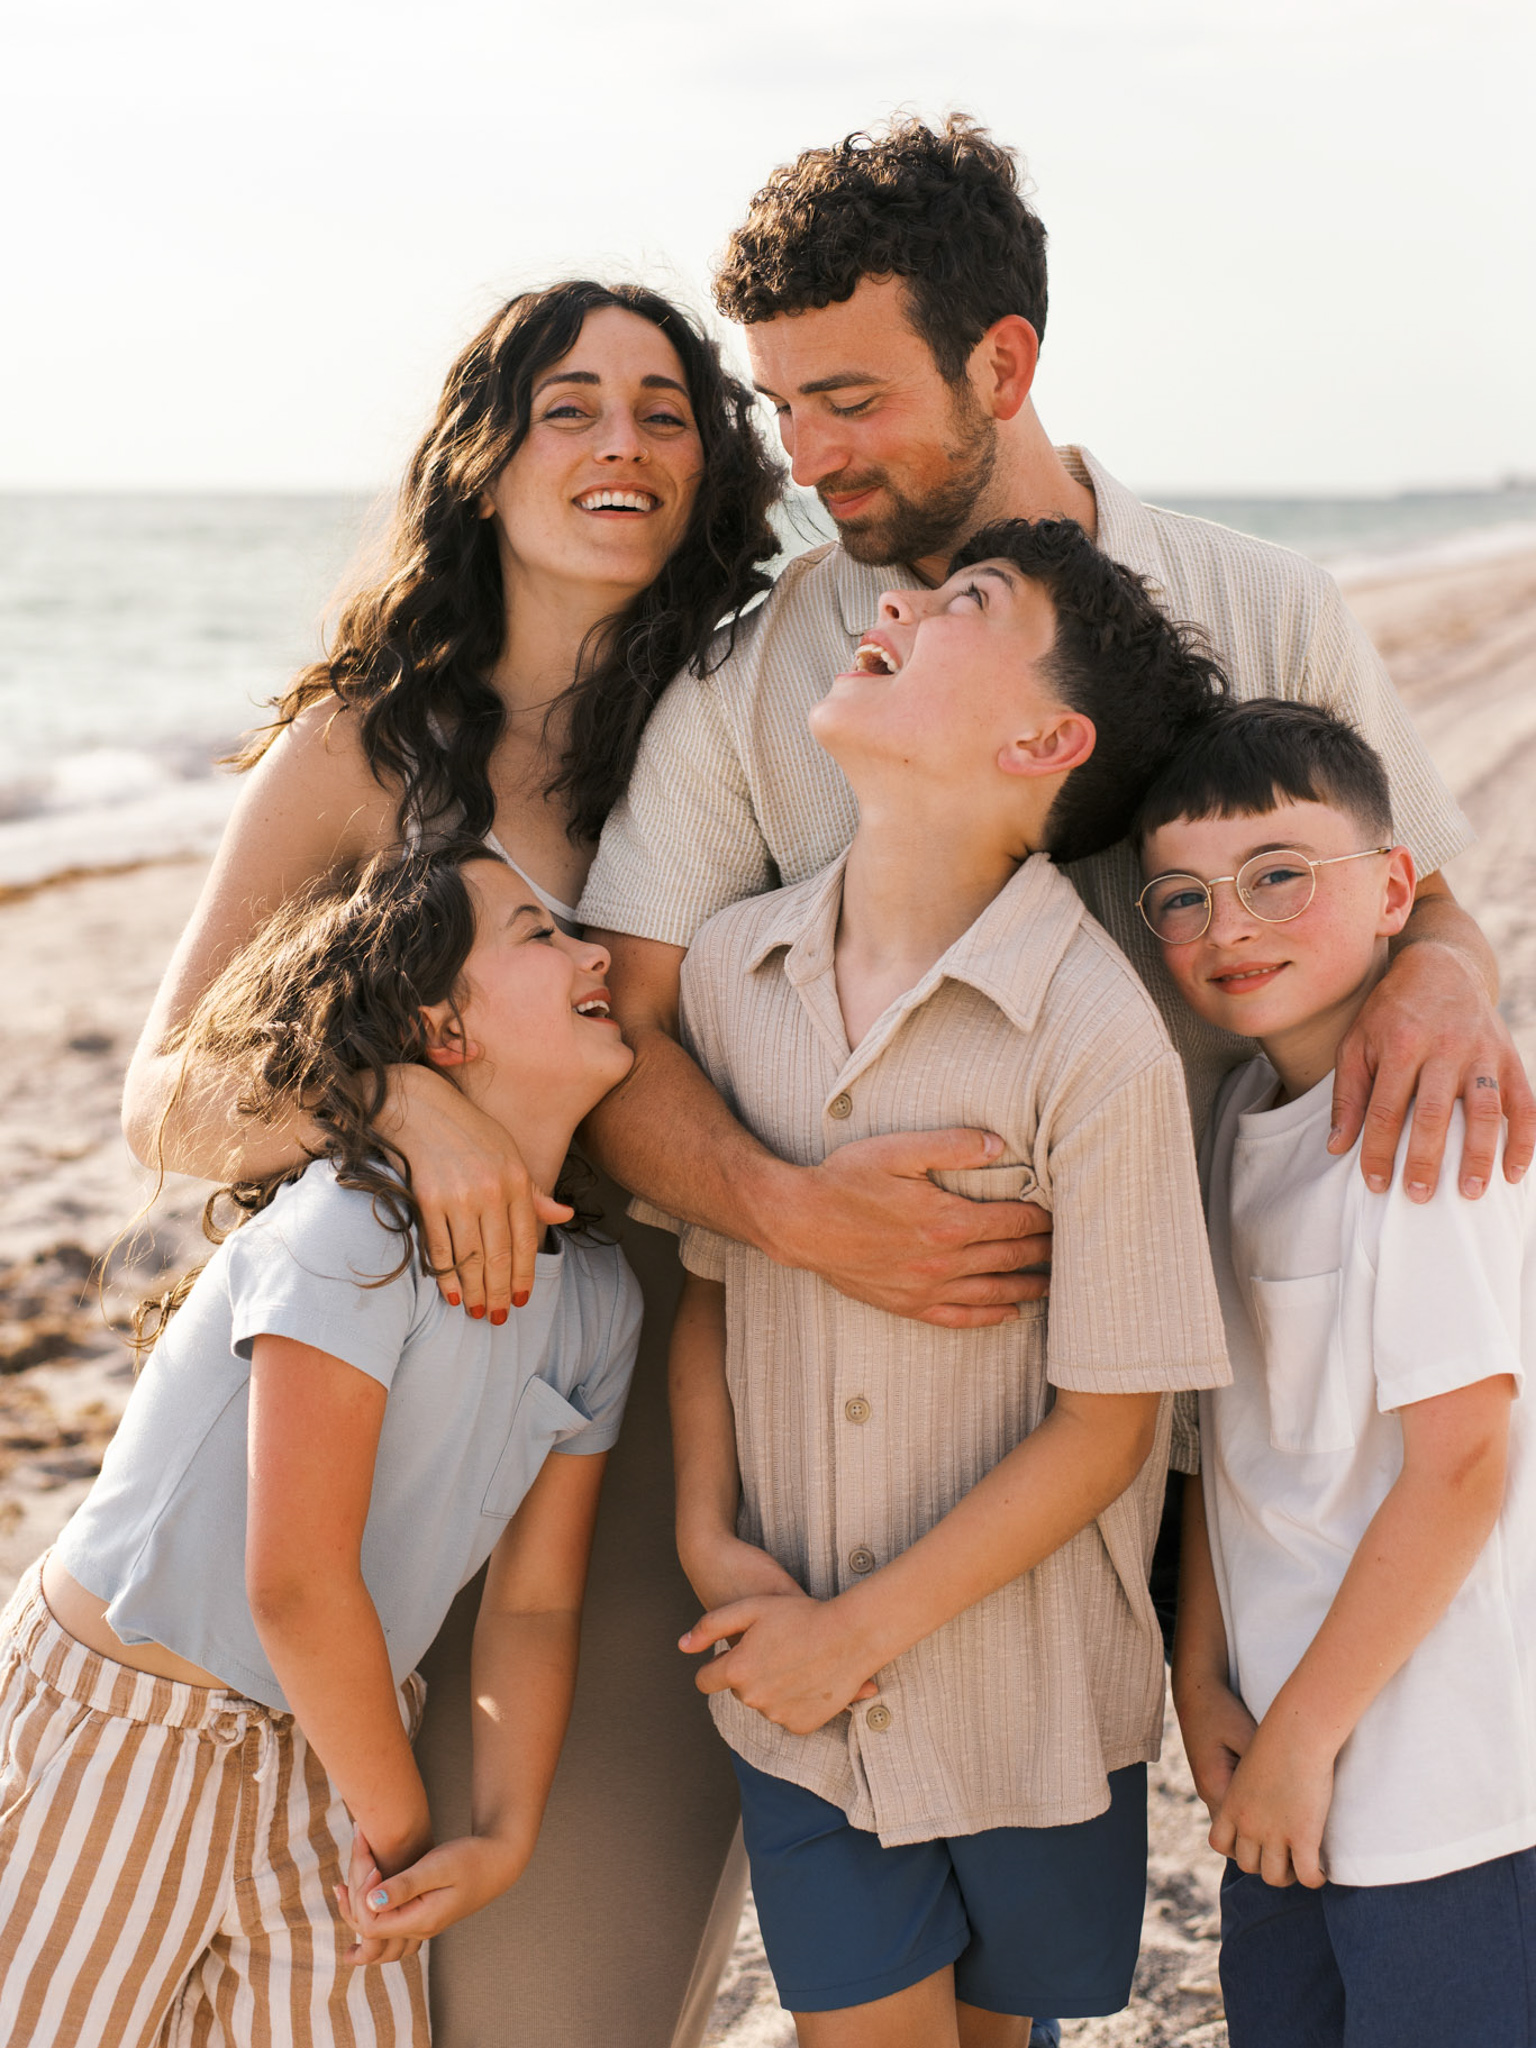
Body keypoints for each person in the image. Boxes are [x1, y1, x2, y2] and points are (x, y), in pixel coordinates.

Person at [119, 281, 782, 2048]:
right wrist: (407, 1106)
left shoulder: (749, 726)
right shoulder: (362, 741)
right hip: (363, 1416)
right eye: (569, 405)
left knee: (574, 1989)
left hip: (646, 1403)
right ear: (482, 458)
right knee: (318, 1964)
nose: (621, 442)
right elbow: (167, 1101)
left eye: (664, 407)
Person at [578, 115, 1530, 1333]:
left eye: (851, 400)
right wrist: (779, 1206)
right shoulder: (751, 680)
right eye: (781, 410)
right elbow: (620, 1021)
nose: (808, 463)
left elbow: (1426, 902)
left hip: (1249, 1353)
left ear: (1003, 366)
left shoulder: (1272, 605)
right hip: (894, 1377)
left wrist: (1444, 980)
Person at [665, 518, 1233, 2046]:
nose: (901, 602)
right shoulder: (730, 972)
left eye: (966, 599)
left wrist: (860, 1631)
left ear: (1047, 737)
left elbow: (1110, 1428)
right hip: (795, 1699)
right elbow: (720, 1280)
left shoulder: (1095, 1038)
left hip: (1028, 1705)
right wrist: (706, 1537)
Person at [0, 844, 642, 2046]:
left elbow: (534, 1607)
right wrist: (402, 1825)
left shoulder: (600, 1301)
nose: (594, 948)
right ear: (440, 1027)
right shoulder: (352, 1225)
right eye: (538, 934)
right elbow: (293, 1580)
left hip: (335, 1749)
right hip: (125, 1737)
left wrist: (499, 1831)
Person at [1142, 702, 1536, 2048]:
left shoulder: (1422, 1132)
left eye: (1278, 876)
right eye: (1183, 898)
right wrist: (1205, 1681)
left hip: (1445, 1792)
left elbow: (1465, 1464)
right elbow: (1226, 1453)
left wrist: (1305, 1733)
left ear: (1393, 891)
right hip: (1284, 1772)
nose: (1230, 926)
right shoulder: (1236, 1126)